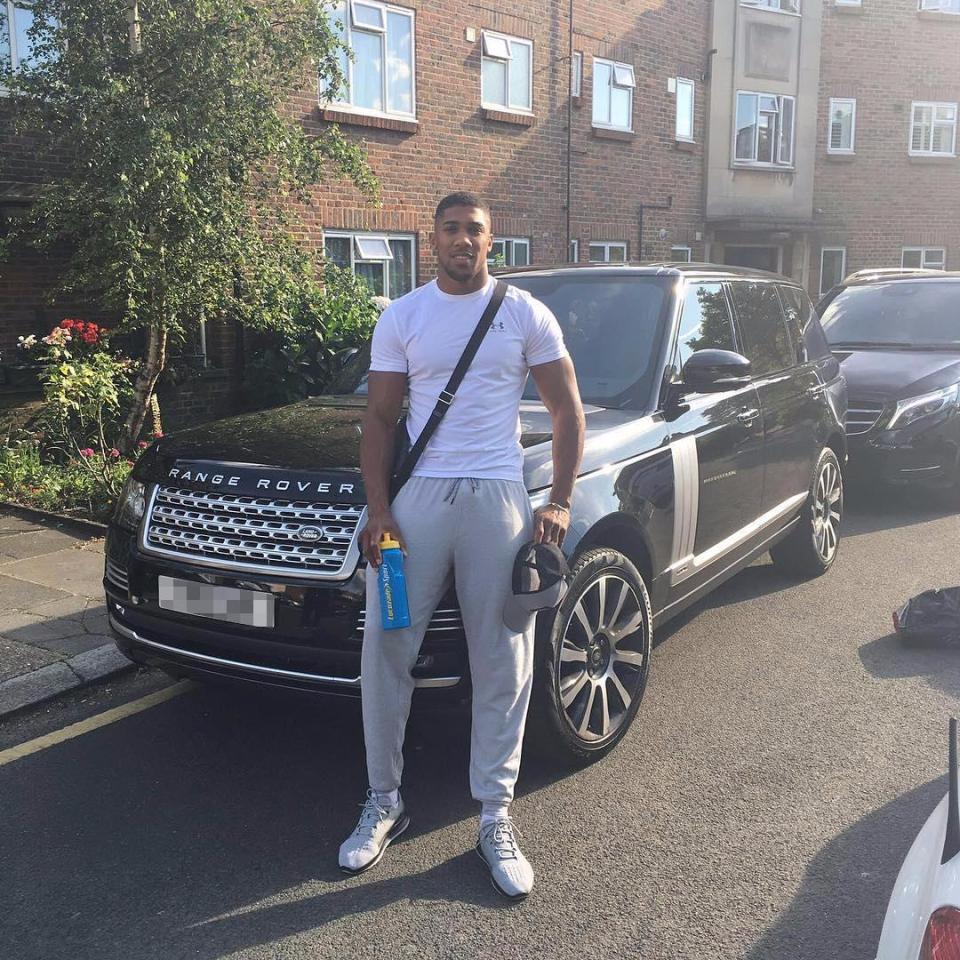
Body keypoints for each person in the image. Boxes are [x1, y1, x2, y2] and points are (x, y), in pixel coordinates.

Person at [338, 191, 585, 899]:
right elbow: (380, 421)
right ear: (433, 238)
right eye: (449, 229)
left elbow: (567, 411)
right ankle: (384, 800)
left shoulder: (523, 313)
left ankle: (495, 815)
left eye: (473, 230)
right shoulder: (404, 315)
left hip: (499, 500)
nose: (461, 240)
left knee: (503, 655)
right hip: (418, 504)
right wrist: (379, 509)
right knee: (387, 645)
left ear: (489, 240)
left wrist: (560, 501)